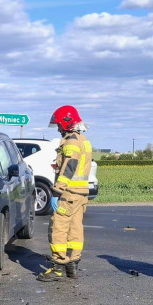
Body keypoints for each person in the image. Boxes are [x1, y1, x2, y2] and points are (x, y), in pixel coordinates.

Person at [38, 105, 93, 282]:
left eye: (59, 125)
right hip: (80, 193)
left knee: (58, 228)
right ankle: (72, 264)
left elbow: (69, 167)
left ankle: (58, 266)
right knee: (75, 229)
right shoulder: (82, 139)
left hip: (68, 193)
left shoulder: (71, 142)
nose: (59, 129)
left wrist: (56, 191)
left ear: (67, 123)